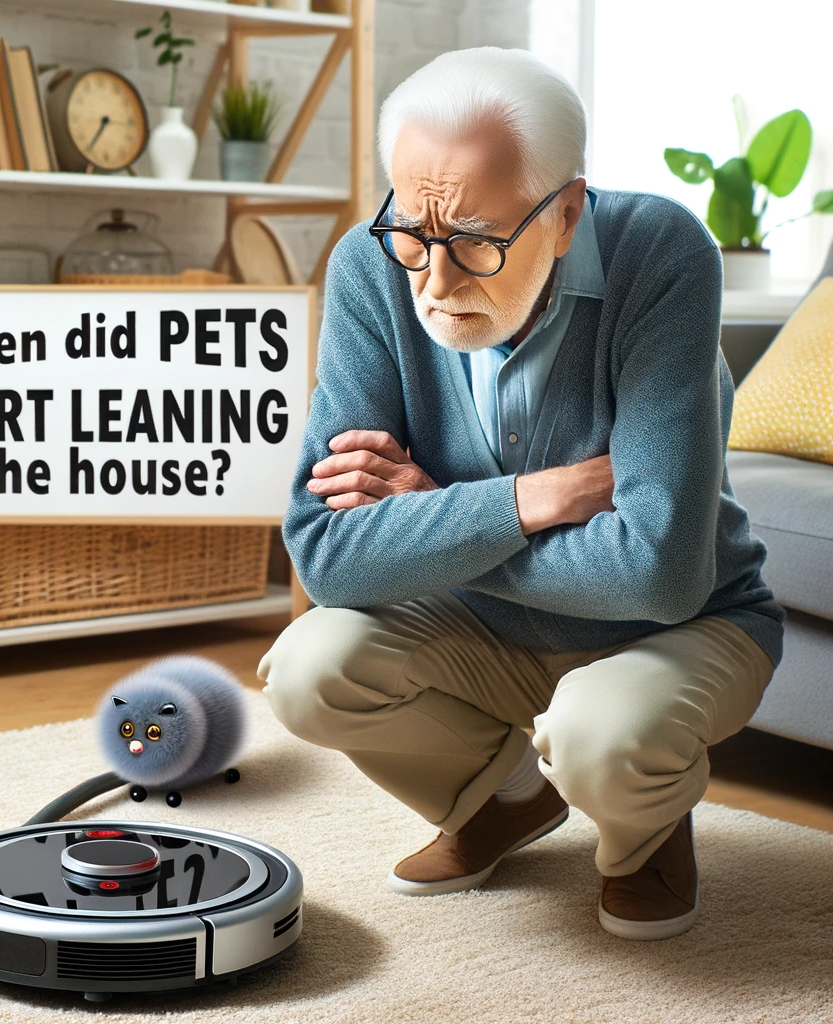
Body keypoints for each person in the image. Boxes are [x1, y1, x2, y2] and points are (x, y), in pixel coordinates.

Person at [256, 46, 783, 941]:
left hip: (679, 628)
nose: (433, 281)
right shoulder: (370, 264)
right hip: (481, 628)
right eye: (414, 237)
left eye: (474, 242)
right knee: (306, 671)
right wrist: (531, 497)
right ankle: (504, 796)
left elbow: (659, 573)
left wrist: (429, 514)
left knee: (601, 733)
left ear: (567, 212)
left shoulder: (662, 254)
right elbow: (327, 555)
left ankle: (644, 829)